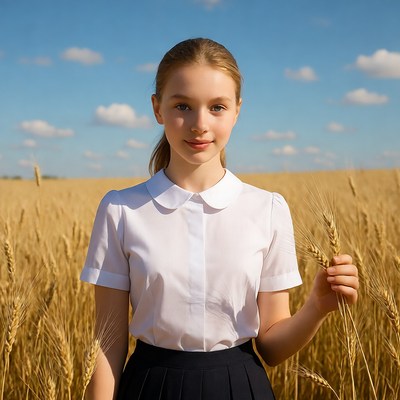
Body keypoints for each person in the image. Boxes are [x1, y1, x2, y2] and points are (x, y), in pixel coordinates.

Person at [80, 38, 359, 400]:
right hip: (149, 388)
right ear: (157, 109)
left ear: (237, 111)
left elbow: (272, 346)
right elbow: (108, 345)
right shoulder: (120, 210)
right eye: (183, 105)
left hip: (240, 387)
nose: (199, 124)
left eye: (217, 107)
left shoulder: (268, 209)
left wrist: (317, 307)